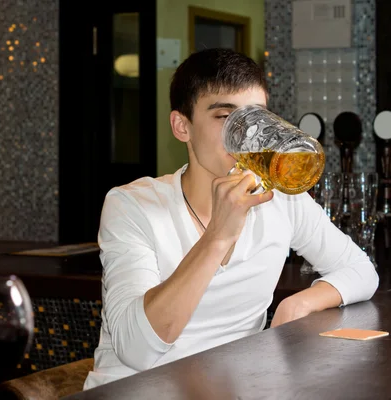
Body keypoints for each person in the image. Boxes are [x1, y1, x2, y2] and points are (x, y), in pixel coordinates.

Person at [83, 48, 379, 390]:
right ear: (182, 126)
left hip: (232, 388)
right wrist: (217, 237)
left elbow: (360, 270)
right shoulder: (132, 205)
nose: (248, 133)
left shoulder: (281, 200)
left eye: (257, 118)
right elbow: (136, 350)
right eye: (225, 117)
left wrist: (300, 303)